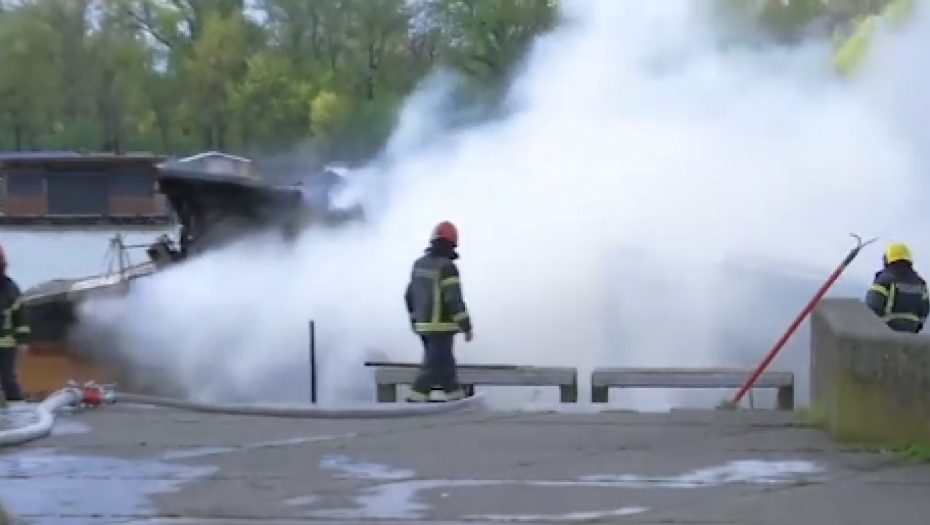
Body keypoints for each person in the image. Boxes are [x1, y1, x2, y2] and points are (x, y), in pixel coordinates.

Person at [404, 221, 473, 402]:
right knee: (431, 369)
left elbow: (409, 295)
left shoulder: (418, 264)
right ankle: (413, 402)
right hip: (441, 328)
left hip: (423, 326)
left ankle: (458, 402)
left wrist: (414, 319)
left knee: (446, 368)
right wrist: (466, 326)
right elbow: (453, 300)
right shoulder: (447, 267)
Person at [865, 242, 929, 333]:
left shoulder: (884, 280)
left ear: (887, 259)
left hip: (886, 333)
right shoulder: (920, 283)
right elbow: (924, 311)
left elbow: (872, 306)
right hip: (911, 333)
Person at [0, 244, 30, 405]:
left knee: (8, 381)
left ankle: (18, 412)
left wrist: (23, 341)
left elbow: (21, 317)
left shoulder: (10, 289)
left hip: (6, 345)